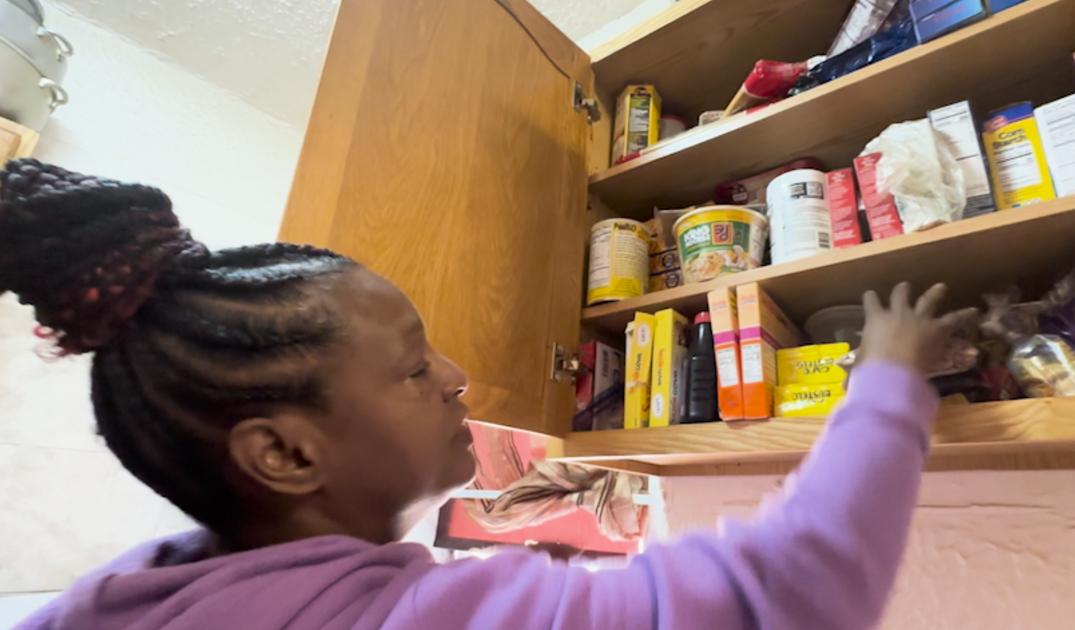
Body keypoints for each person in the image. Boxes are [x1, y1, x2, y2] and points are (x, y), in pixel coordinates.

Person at [1, 159, 974, 630]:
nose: (460, 379)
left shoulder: (113, 598)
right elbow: (780, 595)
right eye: (416, 367)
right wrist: (888, 379)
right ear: (285, 454)